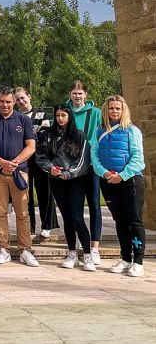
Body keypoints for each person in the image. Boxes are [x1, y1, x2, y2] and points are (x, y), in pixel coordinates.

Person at [0, 87, 39, 267]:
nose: (5, 105)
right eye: (1, 101)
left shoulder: (23, 120)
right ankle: (3, 248)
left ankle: (25, 250)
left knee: (23, 213)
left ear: (14, 102)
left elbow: (31, 146)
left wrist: (13, 162)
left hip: (19, 172)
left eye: (8, 101)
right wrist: (2, 162)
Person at [36, 103, 95, 271]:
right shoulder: (47, 135)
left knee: (77, 217)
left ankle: (88, 254)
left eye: (64, 115)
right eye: (57, 116)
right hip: (56, 180)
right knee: (67, 217)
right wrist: (51, 169)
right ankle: (72, 253)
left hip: (76, 180)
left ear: (69, 117)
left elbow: (83, 160)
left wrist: (69, 173)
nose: (60, 119)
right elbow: (41, 156)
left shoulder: (79, 135)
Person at [92, 95, 146, 277]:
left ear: (123, 111)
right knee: (120, 221)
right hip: (108, 182)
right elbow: (94, 156)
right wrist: (105, 173)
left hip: (130, 182)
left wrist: (122, 176)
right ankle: (125, 258)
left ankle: (138, 260)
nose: (114, 111)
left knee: (134, 221)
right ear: (106, 110)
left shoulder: (132, 131)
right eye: (111, 108)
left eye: (118, 108)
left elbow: (138, 159)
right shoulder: (99, 131)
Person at [14, 87, 58, 242]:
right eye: (17, 99)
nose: (21, 101)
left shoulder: (40, 114)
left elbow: (44, 136)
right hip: (23, 158)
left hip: (40, 157)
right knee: (25, 193)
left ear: (29, 97)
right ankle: (29, 226)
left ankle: (46, 225)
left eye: (22, 97)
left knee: (44, 191)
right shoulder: (15, 116)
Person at [68, 80, 103, 265]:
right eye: (74, 93)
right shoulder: (65, 112)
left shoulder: (96, 113)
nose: (77, 96)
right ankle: (79, 242)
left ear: (86, 95)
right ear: (69, 94)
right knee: (75, 207)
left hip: (91, 165)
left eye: (80, 93)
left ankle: (95, 246)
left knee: (95, 203)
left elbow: (99, 135)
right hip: (72, 166)